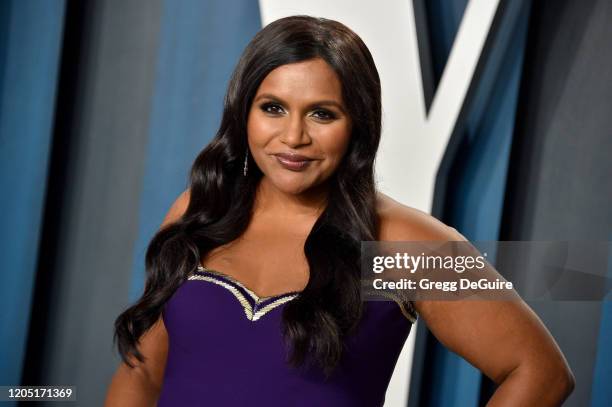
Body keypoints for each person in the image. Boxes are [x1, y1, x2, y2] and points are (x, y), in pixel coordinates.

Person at [104, 15, 574, 406]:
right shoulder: (202, 211)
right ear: (242, 111)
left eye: (322, 114)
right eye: (272, 108)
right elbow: (142, 375)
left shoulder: (400, 242)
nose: (293, 137)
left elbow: (539, 372)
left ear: (358, 125)